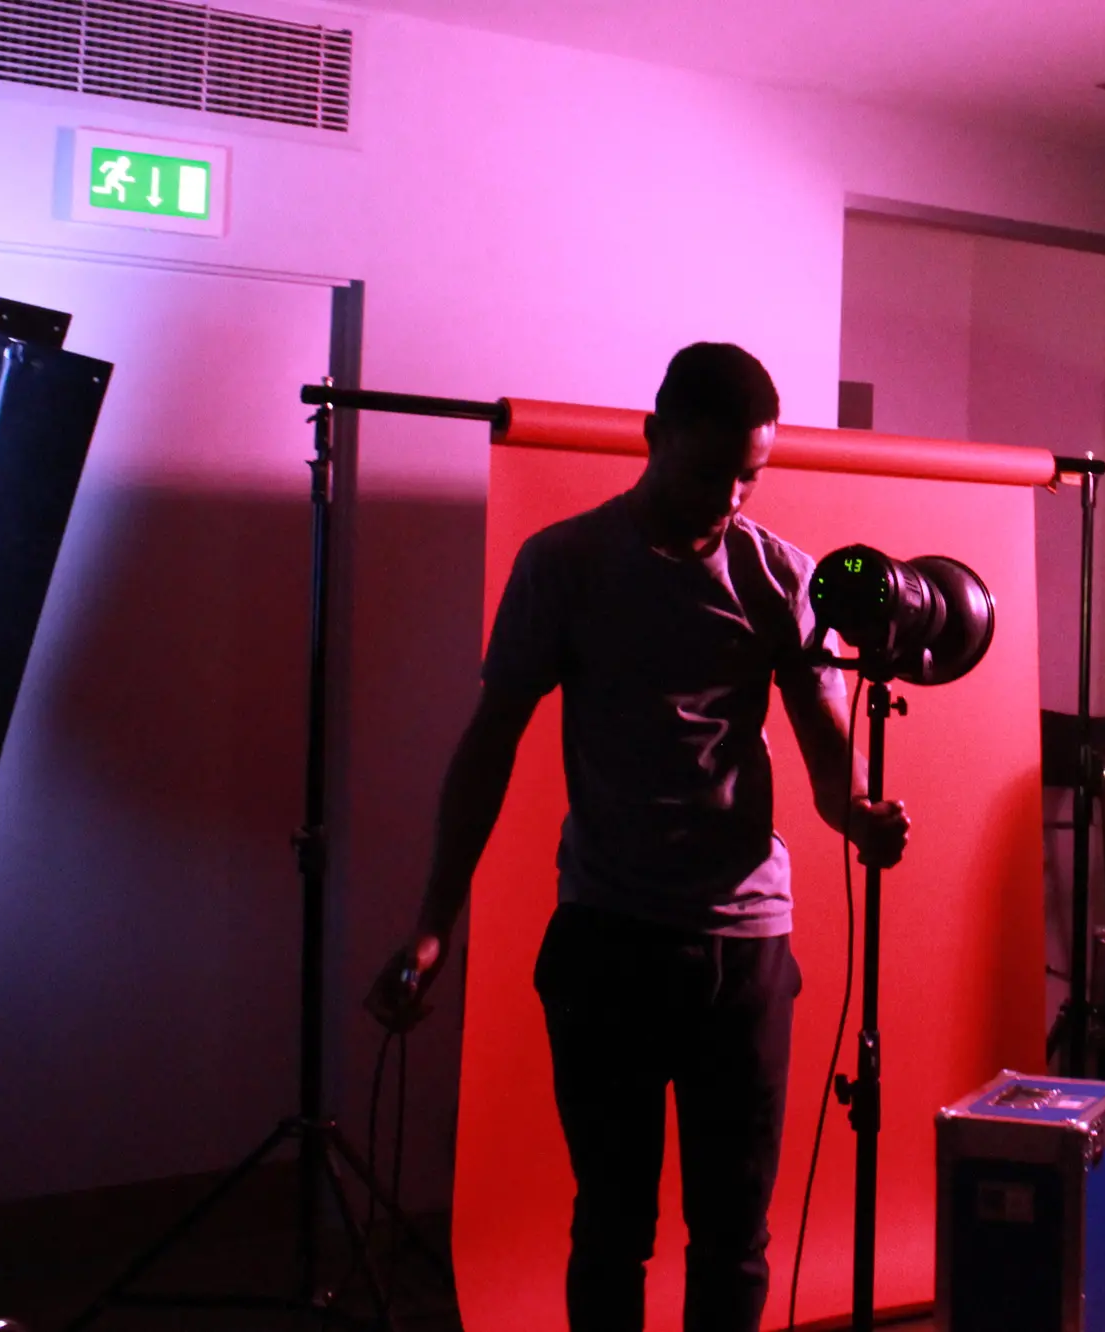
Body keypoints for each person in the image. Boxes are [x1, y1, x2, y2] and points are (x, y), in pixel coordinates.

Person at [364, 343, 909, 1332]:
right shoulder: (564, 565)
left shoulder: (780, 576)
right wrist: (434, 923)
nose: (733, 496)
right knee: (612, 1227)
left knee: (733, 1238)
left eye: (751, 475)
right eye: (711, 472)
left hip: (743, 951)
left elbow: (835, 778)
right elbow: (490, 745)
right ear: (653, 438)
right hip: (609, 939)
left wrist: (862, 815)